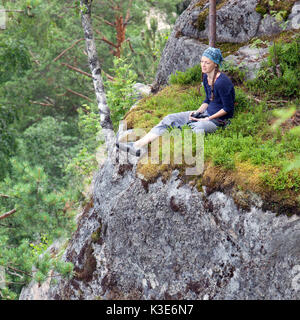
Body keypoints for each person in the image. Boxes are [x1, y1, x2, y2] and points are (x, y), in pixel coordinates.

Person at [117, 47, 235, 156]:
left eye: (207, 62)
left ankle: (163, 149)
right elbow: (208, 100)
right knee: (170, 118)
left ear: (215, 64)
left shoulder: (222, 82)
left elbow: (227, 108)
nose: (203, 65)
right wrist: (198, 113)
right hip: (206, 114)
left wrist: (207, 119)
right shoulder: (205, 77)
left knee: (194, 128)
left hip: (218, 121)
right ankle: (138, 145)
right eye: (202, 61)